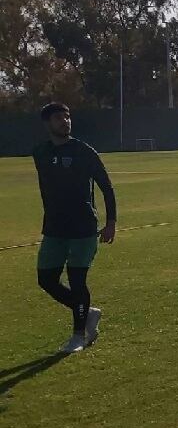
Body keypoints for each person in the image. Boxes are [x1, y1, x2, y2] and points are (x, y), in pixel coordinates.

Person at [33, 103, 117, 354]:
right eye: (59, 118)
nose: (65, 121)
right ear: (47, 123)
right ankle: (88, 312)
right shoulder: (40, 152)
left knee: (77, 280)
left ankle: (79, 335)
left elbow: (106, 186)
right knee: (46, 279)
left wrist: (111, 221)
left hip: (83, 227)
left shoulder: (84, 151)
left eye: (67, 117)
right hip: (54, 228)